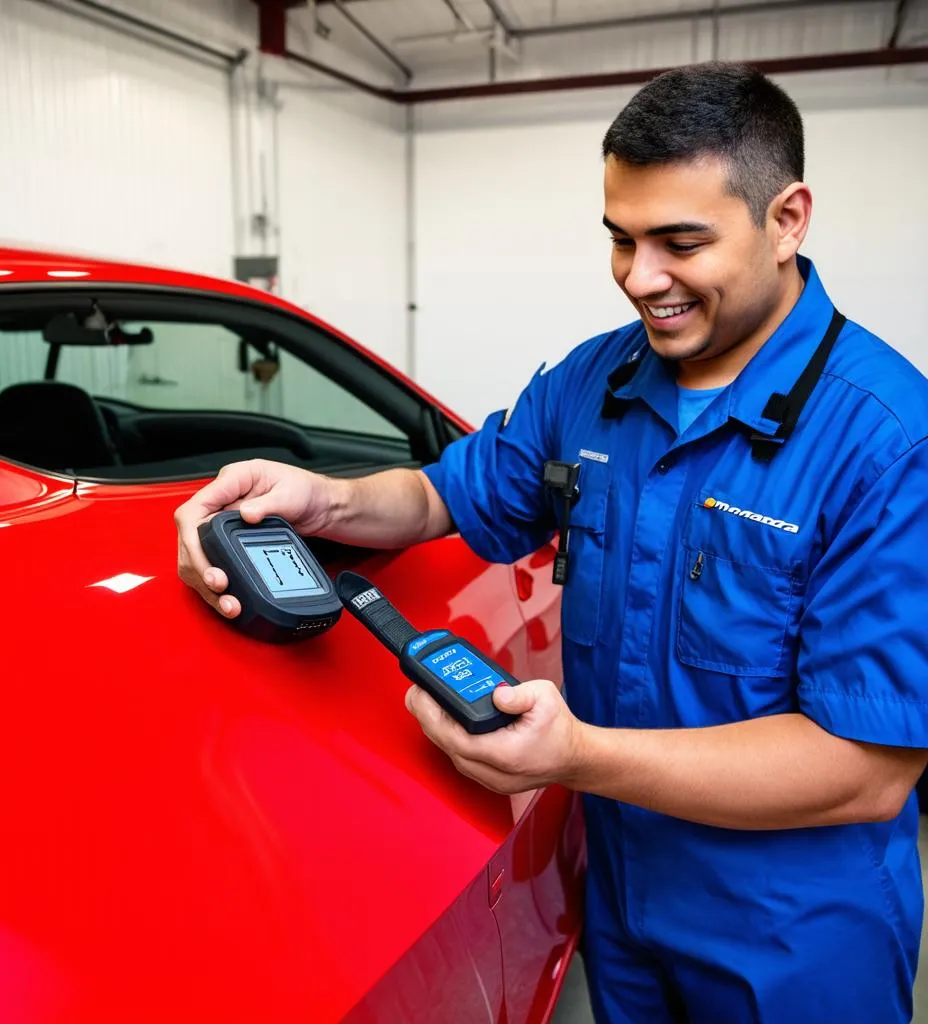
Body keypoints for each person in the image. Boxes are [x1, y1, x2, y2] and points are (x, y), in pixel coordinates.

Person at [176, 63, 928, 1024]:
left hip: (795, 939)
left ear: (787, 220)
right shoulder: (595, 384)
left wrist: (577, 757)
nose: (640, 279)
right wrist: (321, 498)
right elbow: (444, 494)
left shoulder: (886, 440)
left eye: (680, 242)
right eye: (620, 239)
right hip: (621, 901)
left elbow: (866, 769)